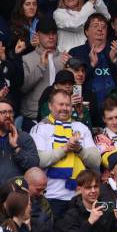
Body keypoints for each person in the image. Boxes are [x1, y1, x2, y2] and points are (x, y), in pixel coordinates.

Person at [30, 89, 100, 217]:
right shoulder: (40, 128)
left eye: (68, 105)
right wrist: (65, 148)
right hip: (51, 196)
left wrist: (79, 149)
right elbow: (39, 161)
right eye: (60, 104)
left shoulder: (81, 127)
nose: (64, 108)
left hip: (79, 196)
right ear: (50, 106)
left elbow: (96, 161)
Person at [69, 12, 117, 107]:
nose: (100, 29)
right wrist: (92, 65)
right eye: (95, 26)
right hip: (86, 106)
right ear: (86, 31)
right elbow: (72, 82)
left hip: (116, 108)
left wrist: (115, 61)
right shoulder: (76, 53)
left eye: (103, 27)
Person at [20, 16, 68, 122]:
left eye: (54, 33)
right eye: (46, 33)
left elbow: (73, 86)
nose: (51, 37)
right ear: (37, 35)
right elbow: (23, 88)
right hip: (34, 115)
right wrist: (41, 66)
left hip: (62, 115)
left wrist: (68, 69)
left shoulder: (65, 58)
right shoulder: (26, 59)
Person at [24, 166, 55, 232]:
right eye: (38, 189)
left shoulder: (44, 204)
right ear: (26, 184)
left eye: (44, 190)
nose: (41, 194)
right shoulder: (12, 203)